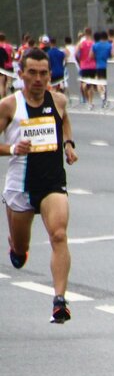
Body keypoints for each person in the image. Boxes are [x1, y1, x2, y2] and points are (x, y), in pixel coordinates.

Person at [1, 48, 79, 323]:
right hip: (20, 185)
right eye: (32, 73)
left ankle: (60, 300)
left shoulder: (58, 100)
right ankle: (17, 246)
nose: (38, 79)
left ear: (50, 75)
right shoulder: (9, 106)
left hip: (52, 182)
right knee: (21, 253)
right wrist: (12, 148)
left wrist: (68, 144)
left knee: (58, 235)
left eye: (43, 73)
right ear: (20, 74)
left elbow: (65, 119)